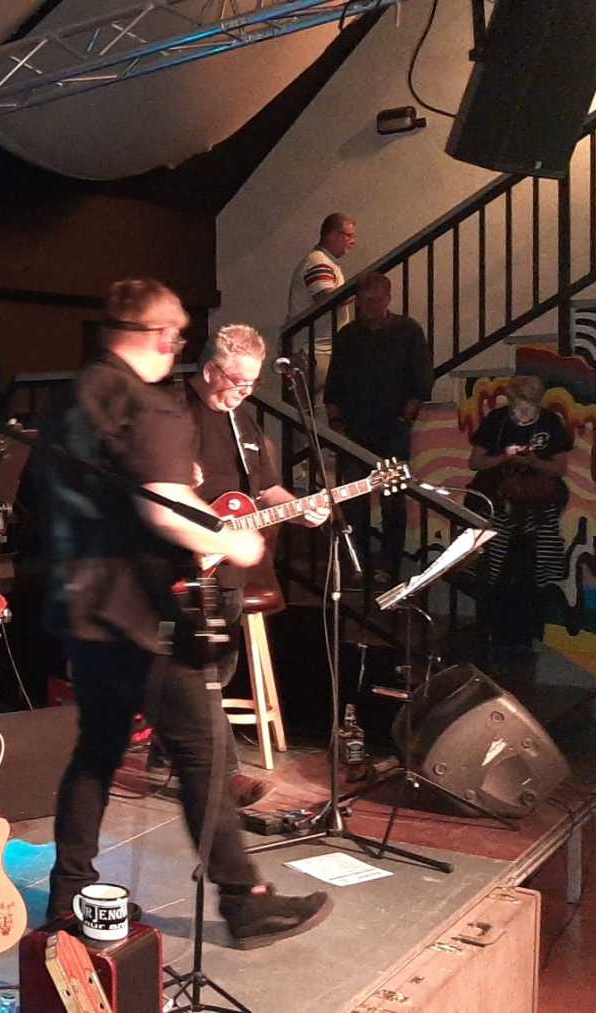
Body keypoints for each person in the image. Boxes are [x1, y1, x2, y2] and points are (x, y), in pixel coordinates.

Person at [40, 278, 330, 948]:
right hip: (144, 617)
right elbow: (166, 505)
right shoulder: (150, 404)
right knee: (204, 753)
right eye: (176, 335)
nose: (178, 346)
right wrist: (236, 541)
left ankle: (67, 895)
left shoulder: (71, 396)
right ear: (159, 335)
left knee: (96, 750)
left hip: (81, 609)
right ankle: (244, 901)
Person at [179, 324, 329, 806]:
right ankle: (224, 777)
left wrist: (300, 508)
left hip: (227, 568)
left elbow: (266, 489)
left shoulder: (241, 422)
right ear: (210, 370)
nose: (246, 391)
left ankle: (175, 749)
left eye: (253, 382)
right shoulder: (174, 413)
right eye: (238, 381)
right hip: (178, 562)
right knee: (202, 673)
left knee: (216, 669)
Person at [323, 272, 432, 582]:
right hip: (354, 429)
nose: (370, 306)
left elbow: (421, 380)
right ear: (358, 301)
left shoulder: (408, 331)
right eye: (365, 300)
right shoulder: (348, 336)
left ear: (388, 299)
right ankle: (357, 563)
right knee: (354, 500)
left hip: (392, 429)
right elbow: (335, 384)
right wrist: (336, 422)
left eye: (376, 300)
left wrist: (405, 419)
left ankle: (390, 566)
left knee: (392, 499)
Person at [467, 375, 572, 661]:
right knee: (494, 572)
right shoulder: (497, 420)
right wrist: (505, 457)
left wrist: (533, 461)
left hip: (537, 510)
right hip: (499, 507)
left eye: (530, 404)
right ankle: (494, 636)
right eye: (519, 404)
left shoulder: (550, 422)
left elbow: (559, 468)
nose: (523, 411)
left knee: (531, 575)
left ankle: (525, 638)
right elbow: (475, 461)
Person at [287, 212, 356, 390]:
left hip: (319, 350)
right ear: (332, 235)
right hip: (315, 352)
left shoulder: (323, 262)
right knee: (317, 405)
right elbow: (327, 298)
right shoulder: (318, 263)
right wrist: (359, 290)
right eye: (349, 235)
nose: (353, 241)